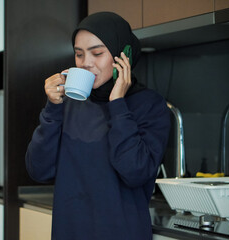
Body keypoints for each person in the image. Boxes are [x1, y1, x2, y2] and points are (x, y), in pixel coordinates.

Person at [25, 12, 171, 240]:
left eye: (97, 53)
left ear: (124, 56)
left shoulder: (150, 105)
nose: (86, 64)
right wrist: (53, 109)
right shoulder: (68, 104)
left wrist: (118, 104)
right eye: (79, 54)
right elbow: (39, 170)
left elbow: (135, 173)